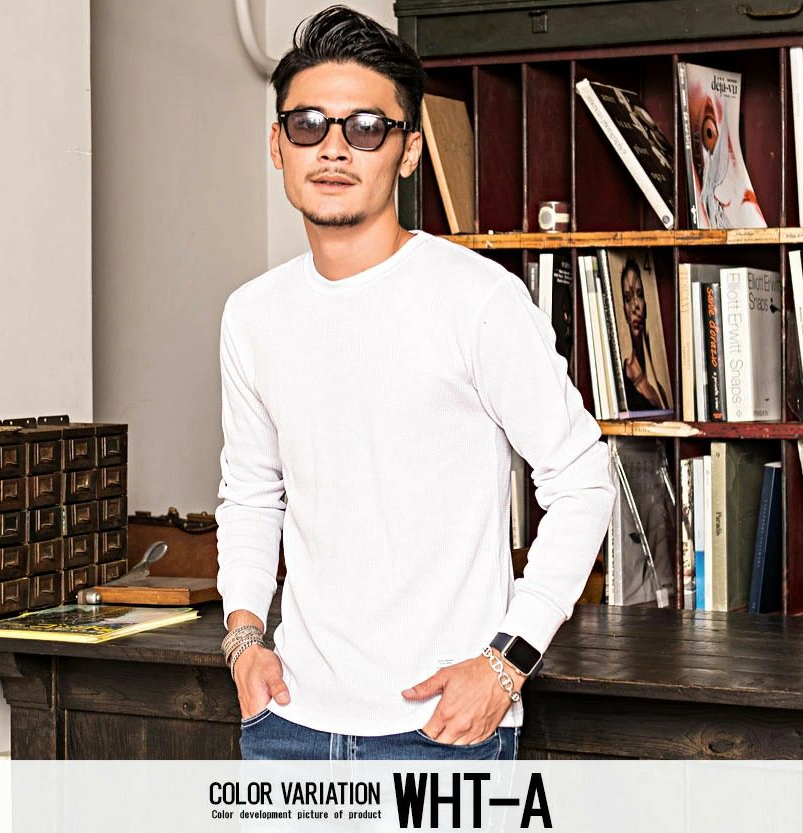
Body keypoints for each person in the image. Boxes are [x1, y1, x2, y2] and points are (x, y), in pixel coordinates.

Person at [216, 4, 616, 761]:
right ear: (277, 144)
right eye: (308, 124)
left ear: (408, 152)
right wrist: (244, 637)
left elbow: (583, 481)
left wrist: (507, 663)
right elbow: (251, 493)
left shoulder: (479, 299)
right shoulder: (253, 314)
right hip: (288, 724)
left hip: (443, 729)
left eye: (368, 127)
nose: (335, 148)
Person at [619, 258, 670, 412]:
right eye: (628, 298)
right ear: (624, 310)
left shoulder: (657, 383)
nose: (634, 305)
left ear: (646, 305)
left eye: (639, 295)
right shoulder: (626, 374)